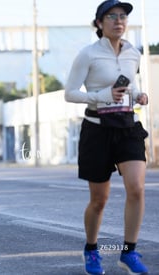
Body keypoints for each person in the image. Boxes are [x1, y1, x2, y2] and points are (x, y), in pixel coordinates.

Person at [64, 1, 149, 274]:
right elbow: (70, 93)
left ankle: (129, 251)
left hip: (127, 126)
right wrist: (102, 96)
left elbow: (129, 84)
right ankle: (91, 249)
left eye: (123, 16)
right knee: (99, 200)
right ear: (100, 23)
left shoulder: (133, 53)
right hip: (97, 129)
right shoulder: (87, 54)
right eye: (111, 16)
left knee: (136, 187)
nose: (119, 20)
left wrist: (138, 95)